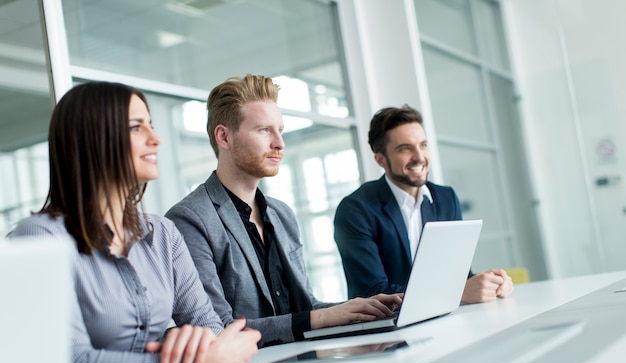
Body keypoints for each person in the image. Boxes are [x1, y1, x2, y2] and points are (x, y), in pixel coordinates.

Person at [9, 82, 260, 363]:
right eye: (136, 127)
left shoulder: (163, 234)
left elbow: (210, 330)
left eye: (151, 126)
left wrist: (187, 344)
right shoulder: (40, 238)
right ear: (93, 140)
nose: (155, 139)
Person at [166, 74, 402, 347]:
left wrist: (361, 309)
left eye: (280, 130)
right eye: (264, 130)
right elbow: (217, 332)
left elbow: (304, 308)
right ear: (224, 137)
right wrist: (323, 317)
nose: (280, 143)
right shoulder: (189, 219)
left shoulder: (282, 214)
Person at [333, 105, 514, 303]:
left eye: (423, 145)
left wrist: (491, 284)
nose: (420, 157)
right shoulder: (356, 210)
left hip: (444, 318)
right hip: (387, 328)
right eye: (405, 148)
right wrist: (455, 293)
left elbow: (458, 274)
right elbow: (372, 291)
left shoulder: (446, 198)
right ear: (381, 160)